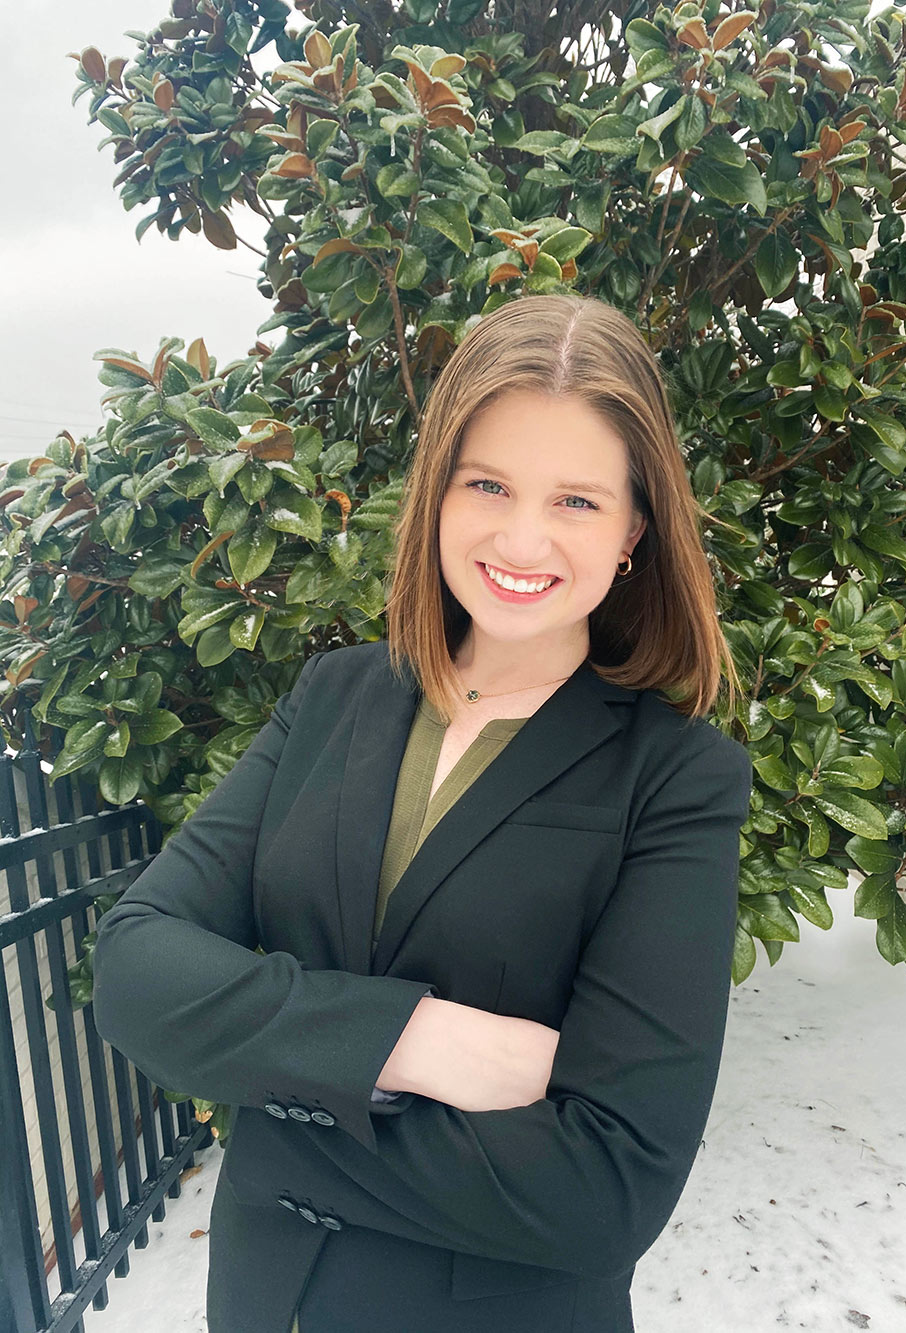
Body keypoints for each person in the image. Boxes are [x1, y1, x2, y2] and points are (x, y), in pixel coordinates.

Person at [91, 292, 753, 1333]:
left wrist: (274, 1107)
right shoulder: (334, 697)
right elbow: (134, 964)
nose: (522, 535)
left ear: (634, 528)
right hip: (268, 1302)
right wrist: (414, 1040)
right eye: (486, 482)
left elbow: (607, 1187)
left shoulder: (675, 778)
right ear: (437, 493)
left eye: (576, 501)